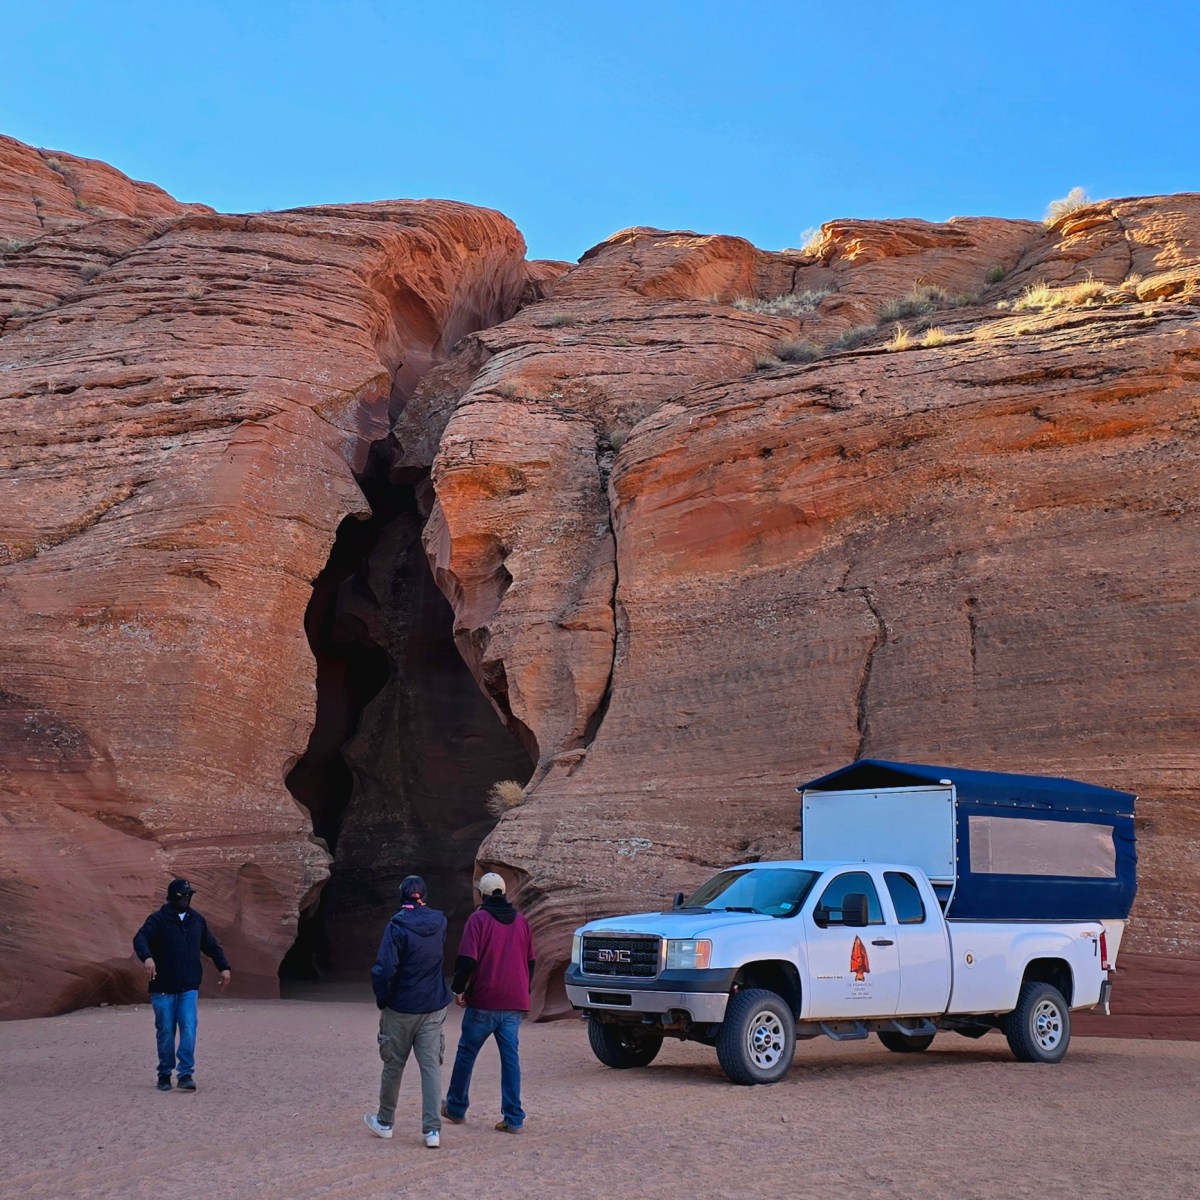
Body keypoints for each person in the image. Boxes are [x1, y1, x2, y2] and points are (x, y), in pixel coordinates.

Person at [442, 871, 535, 1134]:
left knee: (466, 1053)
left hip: (484, 1001)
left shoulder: (478, 920)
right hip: (513, 1003)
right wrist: (522, 990)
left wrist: (459, 989)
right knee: (510, 1060)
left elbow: (467, 960)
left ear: (482, 894)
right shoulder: (521, 922)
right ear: (503, 893)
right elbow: (531, 962)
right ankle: (514, 1118)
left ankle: (456, 1107)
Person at [365, 874, 452, 1149]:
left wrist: (383, 999)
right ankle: (432, 1131)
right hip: (432, 1005)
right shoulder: (440, 922)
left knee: (393, 1065)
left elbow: (385, 968)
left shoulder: (397, 926)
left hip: (401, 1007)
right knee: (430, 1069)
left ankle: (385, 1122)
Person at [132, 878, 231, 1092]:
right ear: (172, 897)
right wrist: (147, 957)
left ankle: (186, 1074)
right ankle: (165, 1073)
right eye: (182, 896)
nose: (186, 899)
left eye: (188, 895)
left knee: (188, 1028)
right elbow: (140, 938)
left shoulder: (197, 921)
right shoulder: (157, 920)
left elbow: (211, 946)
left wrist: (224, 966)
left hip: (188, 986)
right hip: (163, 987)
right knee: (166, 1031)